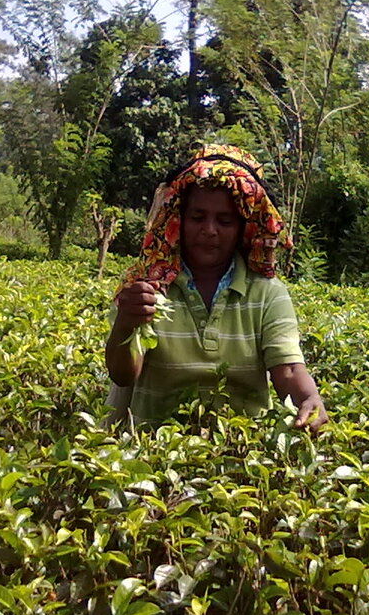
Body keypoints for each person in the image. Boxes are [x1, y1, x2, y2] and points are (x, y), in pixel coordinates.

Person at [105, 144, 328, 432]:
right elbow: (123, 375)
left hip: (241, 447)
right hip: (153, 445)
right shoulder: (146, 287)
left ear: (243, 227)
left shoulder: (267, 294)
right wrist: (126, 323)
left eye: (224, 221)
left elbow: (288, 369)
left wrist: (309, 399)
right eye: (197, 217)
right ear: (178, 219)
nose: (209, 230)